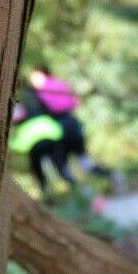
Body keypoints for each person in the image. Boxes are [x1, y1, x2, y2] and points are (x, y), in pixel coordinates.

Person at [10, 66, 122, 194]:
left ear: (43, 74)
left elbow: (44, 109)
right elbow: (75, 102)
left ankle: (84, 195)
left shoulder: (41, 92)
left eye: (35, 76)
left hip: (61, 130)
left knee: (64, 170)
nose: (33, 80)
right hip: (73, 124)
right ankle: (112, 176)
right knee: (85, 164)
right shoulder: (61, 85)